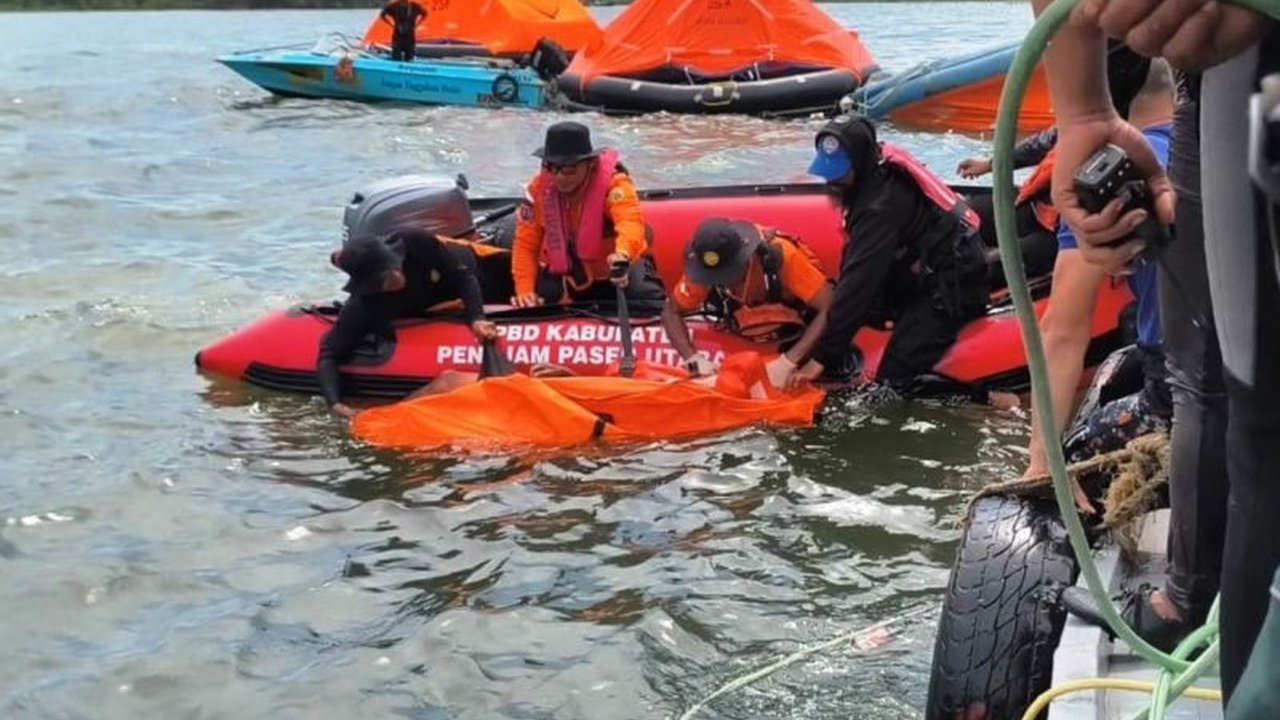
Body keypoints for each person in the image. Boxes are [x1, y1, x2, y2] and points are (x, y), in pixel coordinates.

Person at [1028, 0, 1277, 700]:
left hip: (1244, 73)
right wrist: (1082, 112)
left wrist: (1080, 112)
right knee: (1239, 407)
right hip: (1234, 76)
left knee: (1231, 401)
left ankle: (1184, 601)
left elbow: (1065, 330)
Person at [1022, 60, 1176, 487]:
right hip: (1255, 372)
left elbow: (1062, 332)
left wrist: (1042, 460)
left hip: (1183, 394)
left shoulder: (1110, 184)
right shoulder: (1232, 144)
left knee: (1074, 456)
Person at [792, 115, 989, 392]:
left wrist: (821, 359)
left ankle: (987, 397)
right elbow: (856, 267)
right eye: (827, 171)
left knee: (892, 383)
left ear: (859, 163)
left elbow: (859, 285)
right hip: (921, 263)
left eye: (838, 173)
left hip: (952, 283)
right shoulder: (877, 166)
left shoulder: (879, 207)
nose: (830, 180)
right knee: (854, 303)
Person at [319, 228, 496, 419]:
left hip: (471, 272)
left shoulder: (415, 242)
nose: (394, 279)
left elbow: (465, 278)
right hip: (436, 305)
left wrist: (477, 318)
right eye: (383, 280)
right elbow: (329, 354)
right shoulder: (364, 306)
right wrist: (335, 404)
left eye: (392, 269)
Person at [510, 121, 667, 313]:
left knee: (645, 298)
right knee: (537, 301)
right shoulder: (538, 190)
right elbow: (526, 244)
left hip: (617, 274)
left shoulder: (615, 185)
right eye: (552, 168)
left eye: (569, 170)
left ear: (590, 165)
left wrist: (622, 255)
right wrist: (524, 290)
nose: (560, 177)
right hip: (568, 276)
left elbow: (630, 222)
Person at [660, 217, 833, 386]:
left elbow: (829, 305)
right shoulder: (703, 270)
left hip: (793, 332)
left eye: (728, 273)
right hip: (741, 331)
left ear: (746, 256)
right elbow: (671, 311)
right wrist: (692, 358)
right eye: (716, 276)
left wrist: (789, 362)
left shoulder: (782, 257)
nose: (723, 280)